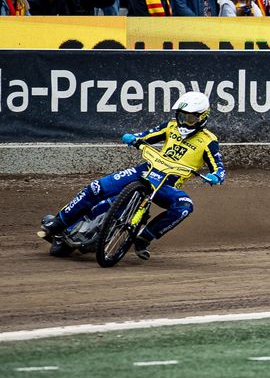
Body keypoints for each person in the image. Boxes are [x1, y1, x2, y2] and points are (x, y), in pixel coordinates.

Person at [39, 92, 225, 261]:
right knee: (97, 187)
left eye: (191, 118)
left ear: (202, 117)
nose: (185, 122)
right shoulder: (170, 127)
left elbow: (219, 168)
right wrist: (133, 137)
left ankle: (144, 238)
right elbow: (146, 135)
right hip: (144, 171)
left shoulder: (209, 141)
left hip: (166, 185)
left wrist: (215, 176)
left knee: (185, 206)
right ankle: (58, 222)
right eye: (182, 116)